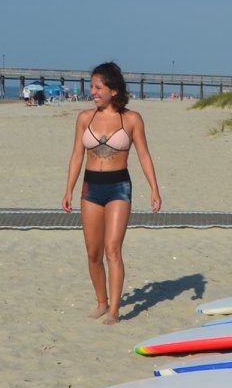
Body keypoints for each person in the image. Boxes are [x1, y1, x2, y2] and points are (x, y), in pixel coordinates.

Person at [62, 61, 162, 323]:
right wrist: (68, 190)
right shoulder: (84, 118)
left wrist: (154, 188)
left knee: (112, 250)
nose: (92, 91)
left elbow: (143, 154)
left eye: (98, 87)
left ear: (113, 90)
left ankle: (115, 310)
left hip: (119, 187)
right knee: (93, 252)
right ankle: (101, 302)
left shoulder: (131, 119)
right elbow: (76, 156)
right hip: (90, 188)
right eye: (91, 87)